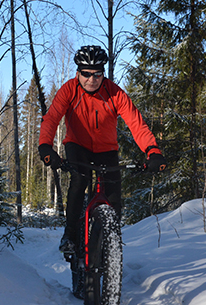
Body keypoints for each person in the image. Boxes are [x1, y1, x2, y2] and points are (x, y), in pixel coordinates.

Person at [38, 45, 167, 255]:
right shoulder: (69, 90)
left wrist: (152, 150)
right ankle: (70, 234)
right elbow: (51, 118)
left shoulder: (114, 93)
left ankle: (111, 244)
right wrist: (45, 146)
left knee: (114, 196)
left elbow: (136, 123)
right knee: (80, 181)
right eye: (86, 74)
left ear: (103, 73)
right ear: (78, 72)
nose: (91, 79)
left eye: (97, 74)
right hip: (77, 146)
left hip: (106, 150)